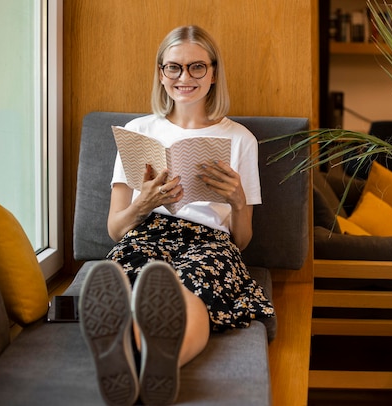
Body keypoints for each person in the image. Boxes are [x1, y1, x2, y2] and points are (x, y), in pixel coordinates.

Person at [78, 25, 274, 406]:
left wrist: (236, 200)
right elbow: (115, 229)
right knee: (130, 279)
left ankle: (151, 362)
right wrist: (143, 203)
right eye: (174, 68)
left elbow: (242, 241)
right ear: (161, 73)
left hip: (210, 241)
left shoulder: (240, 139)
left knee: (188, 290)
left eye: (197, 67)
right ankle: (143, 360)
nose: (185, 78)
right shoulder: (137, 132)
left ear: (214, 73)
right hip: (147, 231)